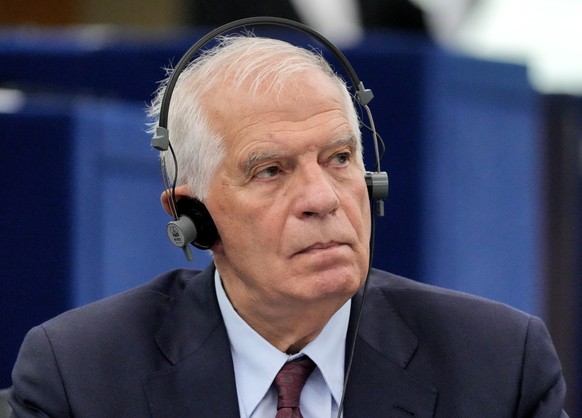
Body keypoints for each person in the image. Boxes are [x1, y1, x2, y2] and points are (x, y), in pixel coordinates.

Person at [8, 30, 567, 417]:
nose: (322, 199)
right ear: (191, 217)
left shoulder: (498, 365)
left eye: (340, 159)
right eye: (271, 170)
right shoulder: (80, 376)